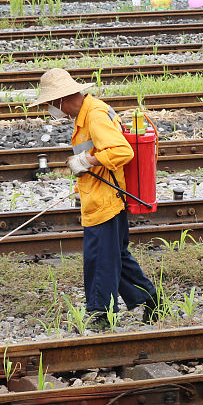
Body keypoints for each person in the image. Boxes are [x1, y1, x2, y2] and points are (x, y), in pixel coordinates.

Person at [31, 68, 160, 327]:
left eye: (49, 104)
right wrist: (84, 178)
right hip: (101, 197)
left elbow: (122, 151)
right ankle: (152, 302)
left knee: (99, 260)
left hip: (106, 202)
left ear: (61, 100)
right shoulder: (87, 114)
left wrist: (86, 160)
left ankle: (100, 315)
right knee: (116, 258)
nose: (50, 109)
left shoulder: (95, 115)